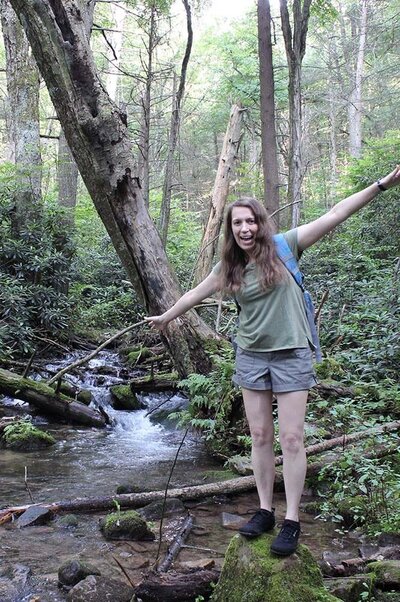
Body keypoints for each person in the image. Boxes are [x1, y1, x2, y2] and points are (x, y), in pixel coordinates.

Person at [145, 166, 400, 556]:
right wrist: (165, 317)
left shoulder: (286, 246)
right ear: (230, 230)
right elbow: (194, 294)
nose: (244, 228)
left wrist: (381, 185)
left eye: (250, 221)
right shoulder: (227, 267)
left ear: (260, 224)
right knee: (261, 436)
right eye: (237, 223)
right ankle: (264, 510)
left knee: (293, 439)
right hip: (251, 356)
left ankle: (292, 519)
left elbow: (335, 214)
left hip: (292, 354)